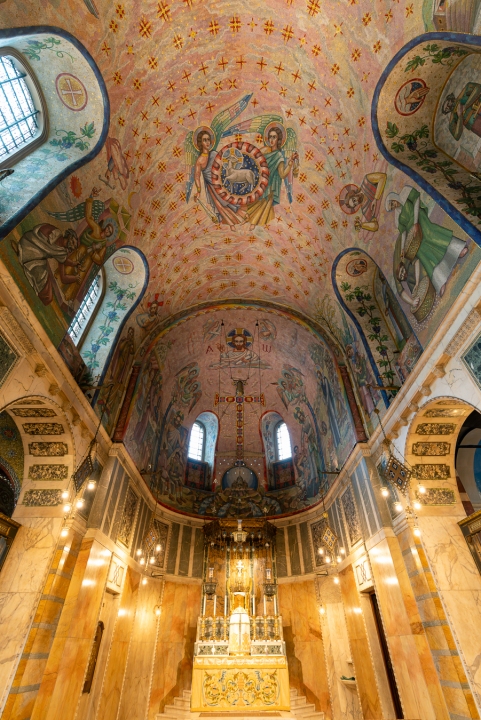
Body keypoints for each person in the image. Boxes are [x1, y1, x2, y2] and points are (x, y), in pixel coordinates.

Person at [386, 186, 468, 308]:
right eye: (392, 207)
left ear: (394, 198)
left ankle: (458, 250)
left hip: (420, 220)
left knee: (432, 235)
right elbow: (403, 233)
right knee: (422, 254)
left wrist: (416, 223)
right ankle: (440, 282)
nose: (394, 206)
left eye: (392, 203)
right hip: (413, 236)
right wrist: (403, 248)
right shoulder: (397, 217)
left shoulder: (404, 193)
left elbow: (416, 201)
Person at [58, 188, 114, 303]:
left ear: (109, 235)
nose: (107, 231)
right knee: (78, 254)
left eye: (110, 232)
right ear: (105, 227)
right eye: (108, 229)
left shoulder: (103, 245)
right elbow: (88, 217)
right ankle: (59, 278)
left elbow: (99, 260)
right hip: (83, 249)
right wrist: (91, 198)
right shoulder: (96, 228)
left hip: (89, 257)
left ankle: (68, 294)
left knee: (83, 270)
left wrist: (94, 252)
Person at [193, 129, 248, 229]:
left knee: (230, 199)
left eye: (208, 139)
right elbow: (197, 176)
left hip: (220, 182)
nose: (207, 142)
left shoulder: (214, 153)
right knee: (221, 205)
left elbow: (223, 165)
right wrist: (198, 191)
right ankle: (231, 224)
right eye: (204, 140)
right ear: (200, 143)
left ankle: (244, 216)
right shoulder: (199, 160)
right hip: (212, 186)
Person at [246, 125, 299, 228]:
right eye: (270, 136)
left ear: (278, 139)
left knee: (263, 209)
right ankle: (250, 221)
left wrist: (290, 163)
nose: (271, 139)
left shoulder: (278, 156)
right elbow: (255, 161)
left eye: (274, 137)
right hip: (258, 183)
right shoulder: (265, 151)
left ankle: (254, 223)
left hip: (269, 187)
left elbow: (282, 174)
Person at [15, 224, 79, 306]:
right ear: (69, 236)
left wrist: (74, 264)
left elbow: (65, 264)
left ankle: (21, 251)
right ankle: (23, 256)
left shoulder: (62, 252)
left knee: (48, 293)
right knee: (47, 294)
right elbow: (39, 231)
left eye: (74, 247)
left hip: (29, 246)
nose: (72, 246)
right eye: (73, 242)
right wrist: (42, 243)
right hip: (31, 248)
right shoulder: (56, 232)